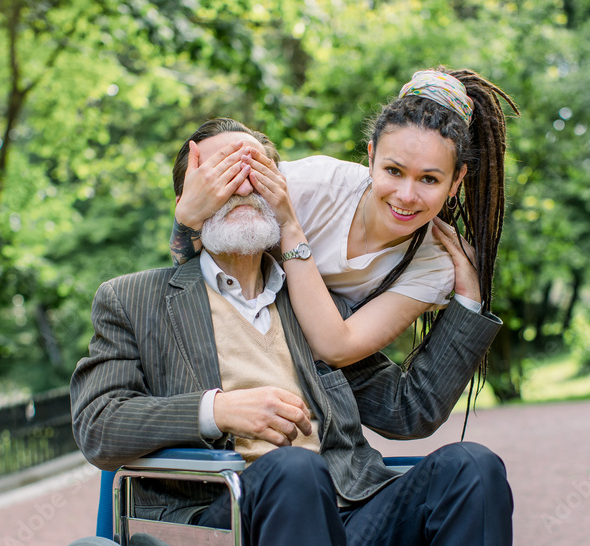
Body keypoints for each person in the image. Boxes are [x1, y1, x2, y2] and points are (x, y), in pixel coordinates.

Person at [71, 123, 513, 546]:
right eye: (219, 174)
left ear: (281, 187)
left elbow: (409, 409)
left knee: (473, 468)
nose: (239, 185)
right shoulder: (134, 301)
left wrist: (466, 303)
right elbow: (98, 425)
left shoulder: (314, 306)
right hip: (224, 544)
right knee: (293, 470)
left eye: (254, 170)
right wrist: (219, 409)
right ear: (188, 200)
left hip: (346, 529)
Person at [170, 66, 517, 367]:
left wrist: (291, 229)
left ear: (456, 181)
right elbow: (203, 271)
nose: (406, 196)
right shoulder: (308, 186)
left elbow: (339, 348)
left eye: (429, 178)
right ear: (371, 157)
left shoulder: (433, 265)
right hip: (239, 346)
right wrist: (186, 217)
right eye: (393, 171)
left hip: (325, 381)